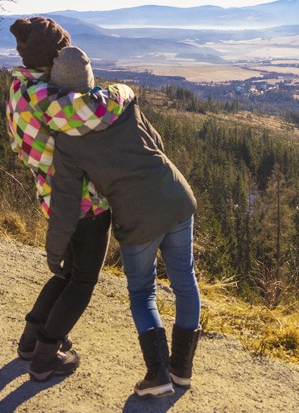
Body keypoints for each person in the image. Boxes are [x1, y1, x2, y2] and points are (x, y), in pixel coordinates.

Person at [47, 45, 201, 398]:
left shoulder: (66, 139)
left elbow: (67, 203)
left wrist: (55, 252)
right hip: (176, 195)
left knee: (143, 291)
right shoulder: (120, 102)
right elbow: (157, 143)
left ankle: (158, 373)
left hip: (136, 216)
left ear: (60, 91)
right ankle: (182, 370)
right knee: (184, 281)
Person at [5, 17, 131, 382]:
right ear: (55, 58)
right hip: (82, 202)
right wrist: (125, 90)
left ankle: (31, 340)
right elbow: (100, 107)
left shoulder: (19, 87)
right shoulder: (46, 99)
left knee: (67, 272)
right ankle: (46, 355)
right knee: (82, 280)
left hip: (51, 195)